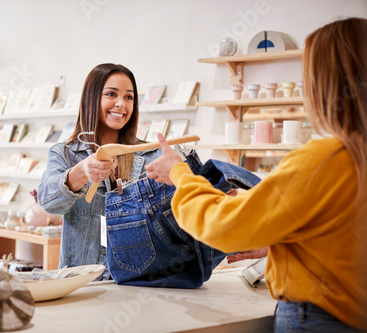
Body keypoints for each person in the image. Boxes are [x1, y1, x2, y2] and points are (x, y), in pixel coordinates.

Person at [145, 18, 367, 332]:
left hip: (318, 320)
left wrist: (180, 173)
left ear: (323, 84)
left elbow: (223, 225)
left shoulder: (325, 159)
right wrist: (286, 241)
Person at [38, 63, 162, 276]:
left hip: (139, 279)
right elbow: (48, 202)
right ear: (91, 98)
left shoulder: (151, 155)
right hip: (83, 281)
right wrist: (80, 173)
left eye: (129, 97)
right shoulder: (65, 153)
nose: (121, 104)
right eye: (111, 94)